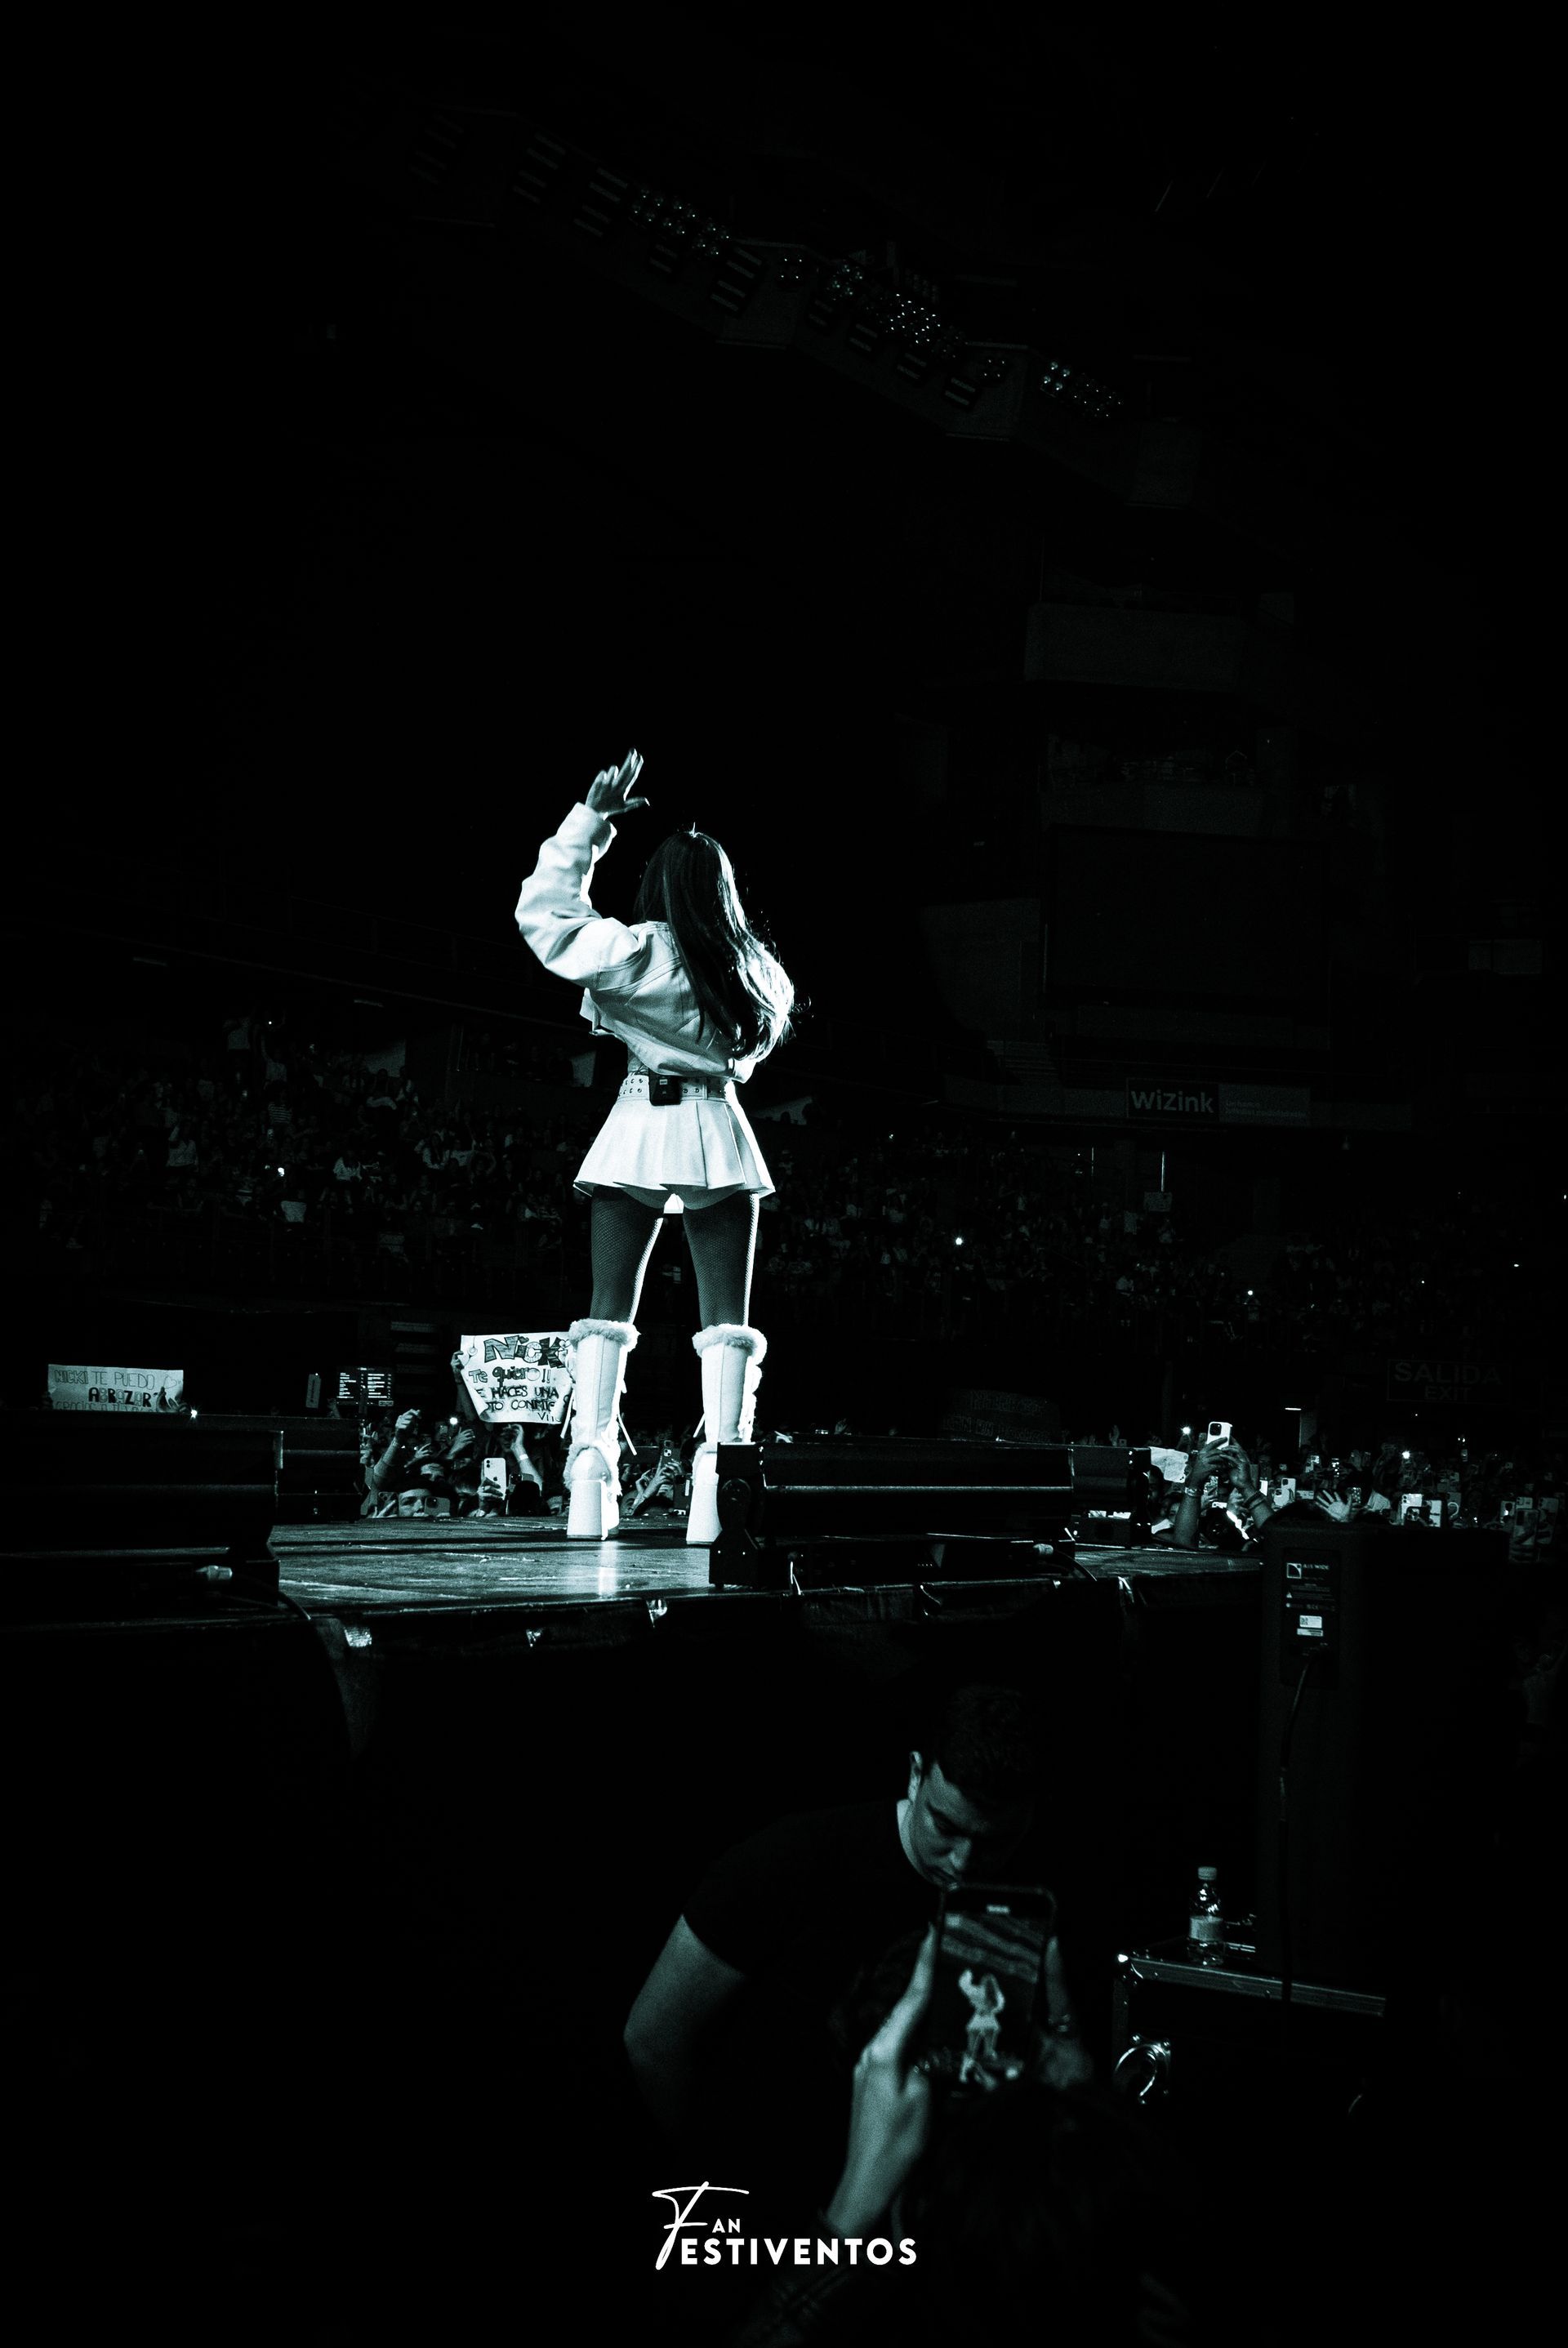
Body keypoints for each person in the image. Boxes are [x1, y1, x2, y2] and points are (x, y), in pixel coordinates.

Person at [621, 1686, 1085, 2199]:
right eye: (945, 1826)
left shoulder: (1037, 1894)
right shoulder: (789, 1862)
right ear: (916, 1774)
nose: (964, 1862)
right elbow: (652, 2039)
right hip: (771, 2194)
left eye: (996, 1840)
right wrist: (719, 2180)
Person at [514, 746, 794, 1543]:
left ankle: (590, 1482)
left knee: (606, 1311)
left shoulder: (637, 952)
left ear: (658, 885)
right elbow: (752, 1052)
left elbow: (545, 916)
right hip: (714, 1125)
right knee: (726, 1321)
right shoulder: (754, 972)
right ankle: (720, 1492)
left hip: (637, 1123)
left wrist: (591, 822)